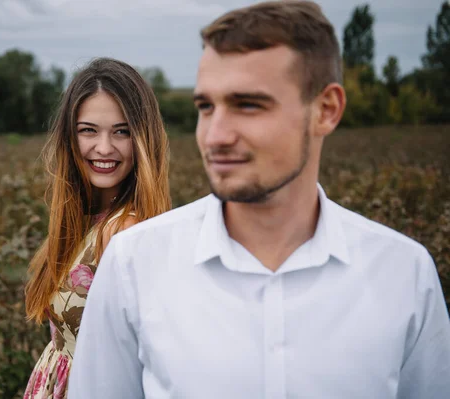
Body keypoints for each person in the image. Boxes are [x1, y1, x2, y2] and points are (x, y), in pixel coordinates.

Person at [68, 2, 450, 398]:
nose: (214, 136)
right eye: (205, 107)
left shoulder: (404, 275)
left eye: (248, 105)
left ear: (326, 110)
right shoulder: (134, 263)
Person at [22, 57, 171, 398]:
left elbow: (148, 358)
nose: (104, 148)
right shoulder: (86, 219)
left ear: (144, 139)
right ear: (69, 137)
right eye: (88, 130)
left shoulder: (125, 230)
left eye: (122, 131)